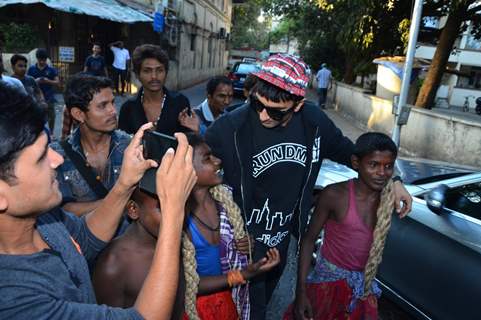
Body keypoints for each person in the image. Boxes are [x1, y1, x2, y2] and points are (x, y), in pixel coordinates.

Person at [204, 53, 412, 319]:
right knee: (247, 310)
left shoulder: (314, 123)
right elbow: (199, 173)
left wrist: (394, 181)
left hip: (279, 243)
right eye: (258, 105)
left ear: (298, 104)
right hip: (241, 244)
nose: (265, 116)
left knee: (263, 304)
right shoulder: (229, 127)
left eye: (277, 112)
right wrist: (225, 228)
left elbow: (353, 154)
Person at [0, 80, 198, 319]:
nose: (57, 160)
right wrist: (174, 209)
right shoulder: (14, 298)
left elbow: (85, 237)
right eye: (42, 157)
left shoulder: (43, 219)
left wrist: (124, 184)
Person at [92, 133, 280, 320]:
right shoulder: (113, 265)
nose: (176, 214)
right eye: (162, 206)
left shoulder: (174, 247)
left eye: (182, 202)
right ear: (133, 209)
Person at [285, 132, 398, 320]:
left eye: (388, 167)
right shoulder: (335, 195)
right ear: (356, 163)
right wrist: (301, 292)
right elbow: (308, 241)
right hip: (328, 287)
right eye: (373, 165)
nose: (381, 173)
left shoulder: (388, 199)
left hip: (364, 289)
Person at [51, 74, 131, 219]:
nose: (113, 111)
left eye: (112, 103)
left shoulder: (130, 146)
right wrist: (121, 201)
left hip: (127, 238)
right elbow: (65, 210)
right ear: (79, 114)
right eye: (103, 106)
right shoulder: (58, 155)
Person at [119, 44, 194, 136]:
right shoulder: (128, 108)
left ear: (166, 73)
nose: (154, 76)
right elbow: (122, 144)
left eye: (159, 70)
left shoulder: (180, 102)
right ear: (138, 75)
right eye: (147, 71)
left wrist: (195, 132)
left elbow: (189, 140)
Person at [27, 48, 60, 131]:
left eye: (44, 60)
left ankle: (51, 133)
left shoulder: (51, 70)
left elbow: (57, 82)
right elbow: (27, 82)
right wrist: (36, 81)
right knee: (36, 115)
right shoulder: (31, 69)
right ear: (37, 59)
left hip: (49, 96)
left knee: (51, 116)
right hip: (35, 97)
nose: (42, 62)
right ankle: (37, 132)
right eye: (40, 60)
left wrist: (47, 80)